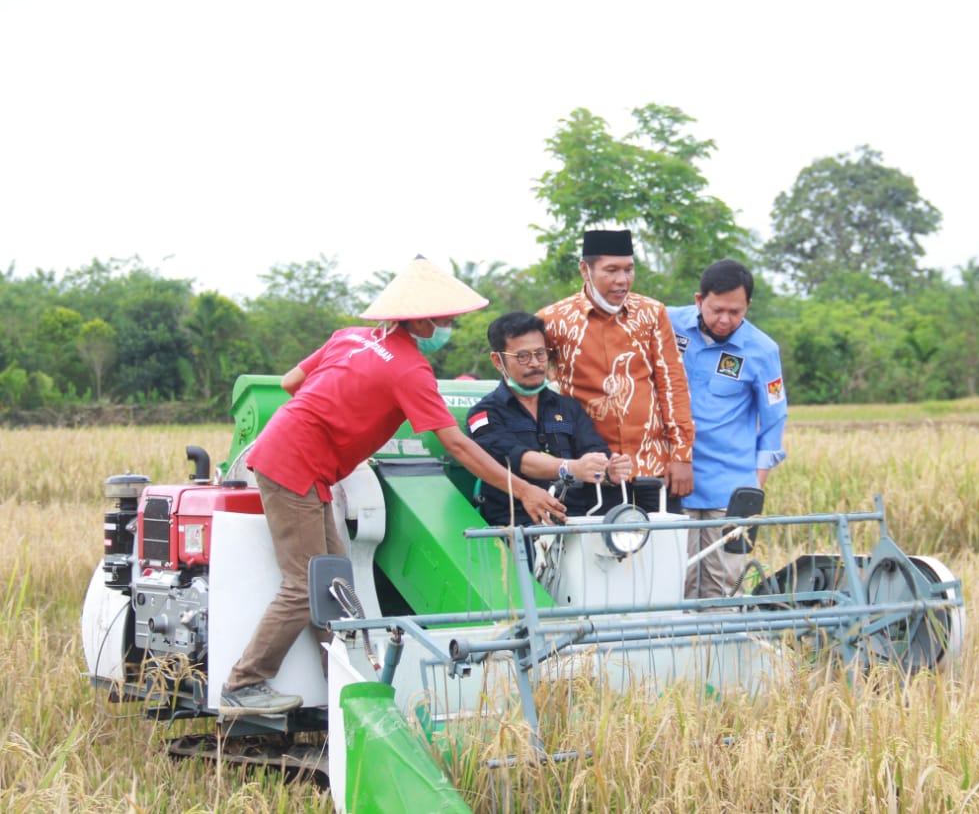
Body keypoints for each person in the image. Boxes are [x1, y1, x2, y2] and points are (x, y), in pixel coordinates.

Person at [220, 257, 565, 717]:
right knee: (306, 584)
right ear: (421, 319)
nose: (450, 326)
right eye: (444, 319)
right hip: (292, 466)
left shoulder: (352, 337)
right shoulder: (409, 369)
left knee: (335, 578)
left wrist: (338, 421)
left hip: (299, 458)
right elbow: (458, 447)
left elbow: (290, 383)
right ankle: (244, 684)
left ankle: (349, 682)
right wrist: (522, 489)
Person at [536, 229, 694, 515]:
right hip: (591, 472)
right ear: (585, 269)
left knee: (663, 556)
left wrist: (682, 456)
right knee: (596, 556)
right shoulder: (554, 320)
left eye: (629, 269)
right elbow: (530, 381)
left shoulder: (652, 313)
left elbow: (672, 385)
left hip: (652, 468)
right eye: (611, 270)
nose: (622, 280)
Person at [466, 311, 633, 561]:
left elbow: (593, 450)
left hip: (576, 525)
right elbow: (516, 459)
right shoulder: (484, 414)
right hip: (516, 531)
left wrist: (608, 470)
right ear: (498, 361)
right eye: (522, 356)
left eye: (540, 353)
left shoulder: (568, 407)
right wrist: (572, 467)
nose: (535, 363)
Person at [668, 259, 787, 599]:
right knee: (676, 582)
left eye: (735, 312)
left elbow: (775, 417)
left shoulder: (763, 351)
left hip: (731, 488)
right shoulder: (668, 323)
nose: (724, 320)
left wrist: (756, 484)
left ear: (748, 305)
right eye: (716, 310)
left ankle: (719, 651)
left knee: (723, 587)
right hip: (675, 480)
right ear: (698, 300)